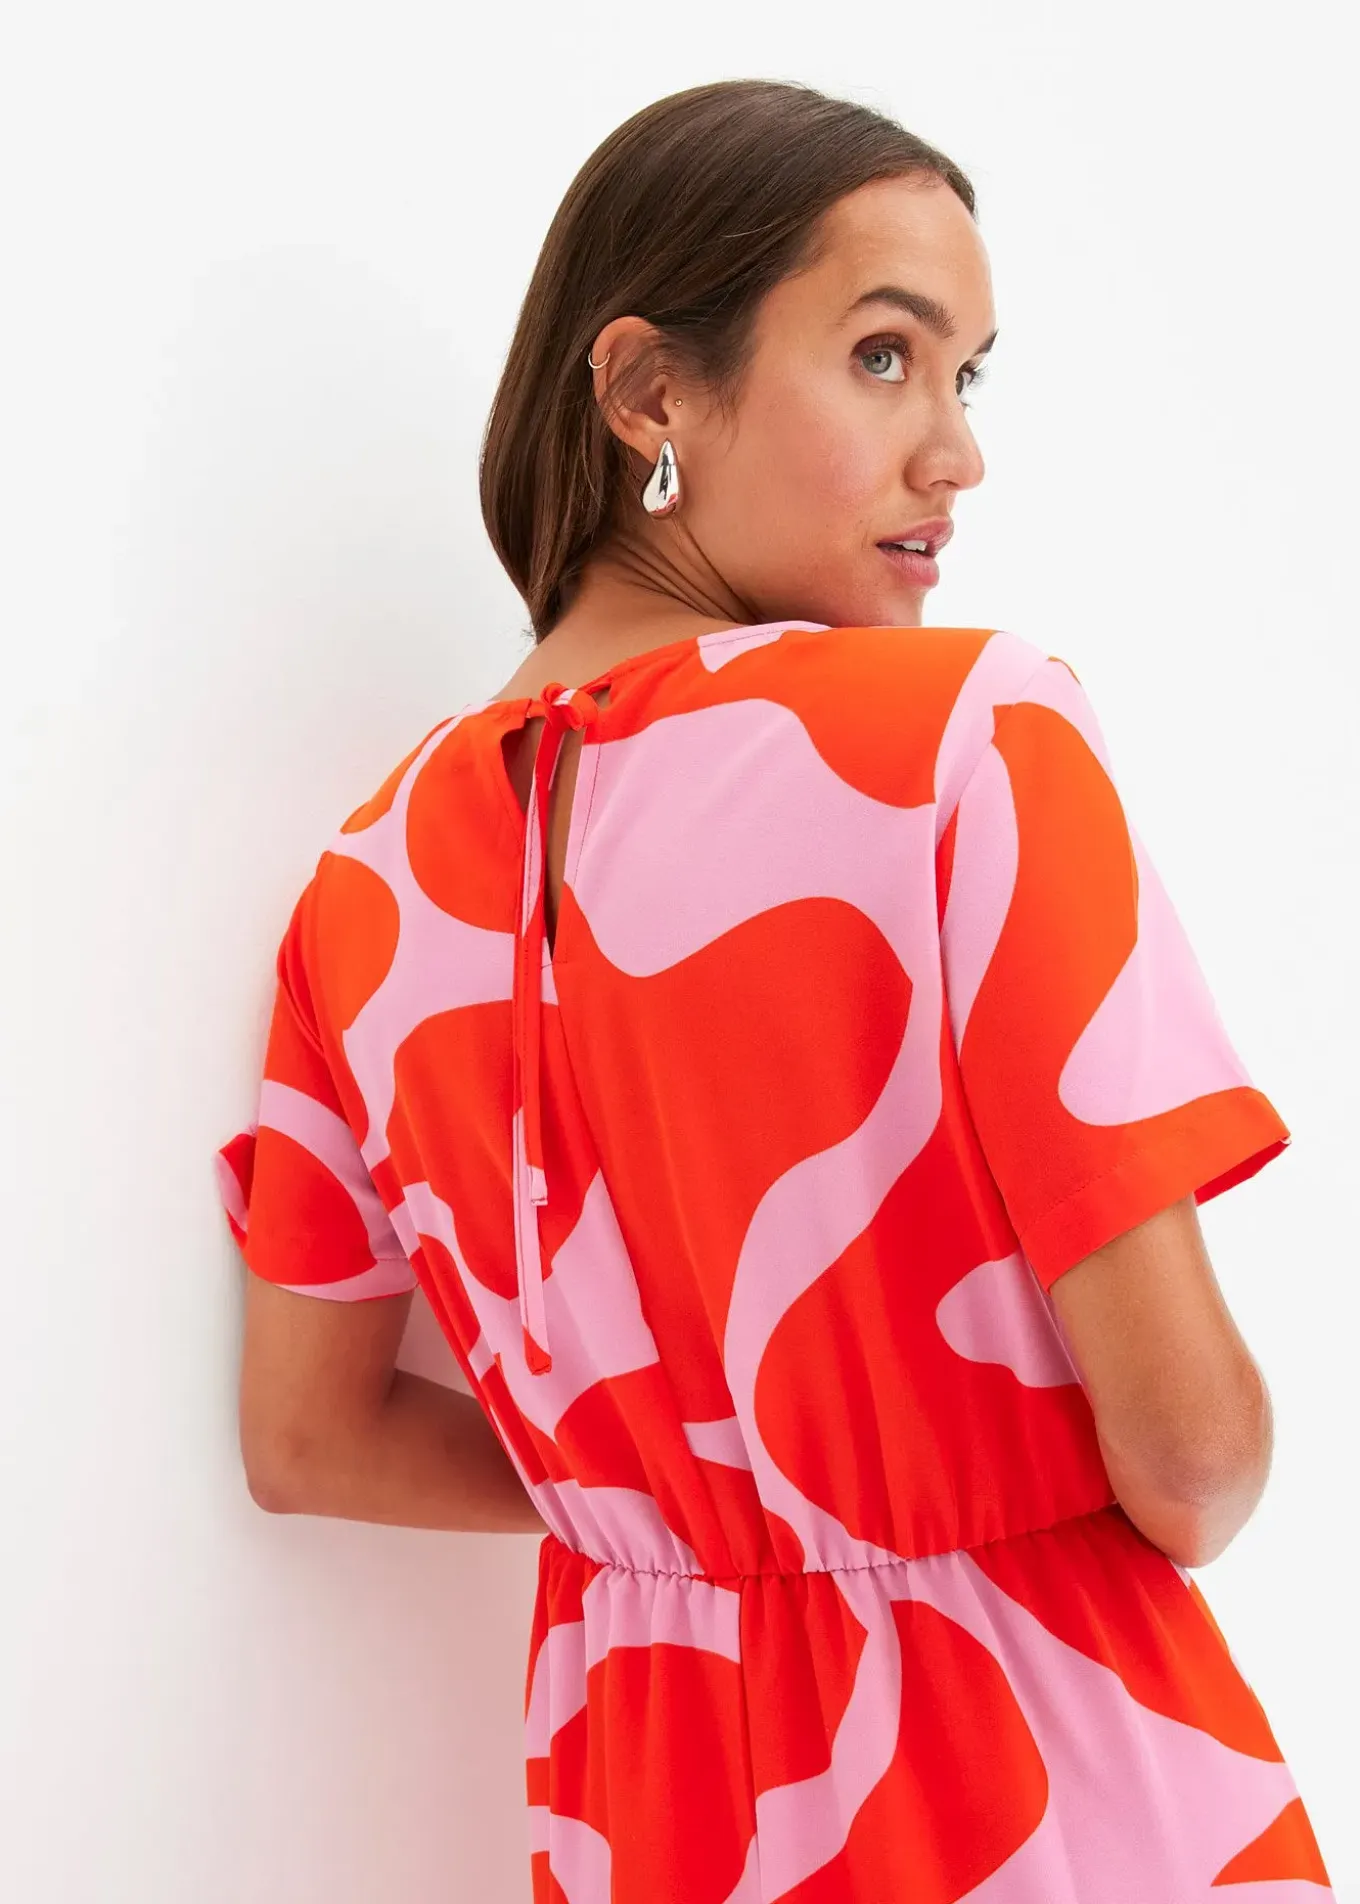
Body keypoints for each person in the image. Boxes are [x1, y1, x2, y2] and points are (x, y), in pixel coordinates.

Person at [215, 78, 1336, 1902]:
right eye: (886, 356)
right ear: (649, 392)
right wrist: (870, 1488)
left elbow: (308, 1436)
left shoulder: (359, 891)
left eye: (968, 377)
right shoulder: (966, 738)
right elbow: (1197, 1459)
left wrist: (677, 1510)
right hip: (1045, 1772)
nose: (956, 454)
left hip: (647, 1794)